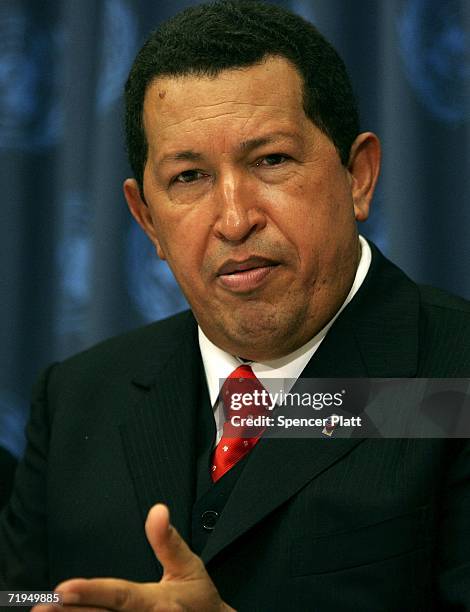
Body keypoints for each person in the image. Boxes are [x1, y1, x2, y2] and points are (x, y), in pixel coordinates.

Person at [1, 1, 470, 610]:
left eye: (271, 161)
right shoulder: (77, 398)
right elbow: (20, 597)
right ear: (146, 219)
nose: (234, 218)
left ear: (358, 176)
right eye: (188, 177)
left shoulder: (454, 380)